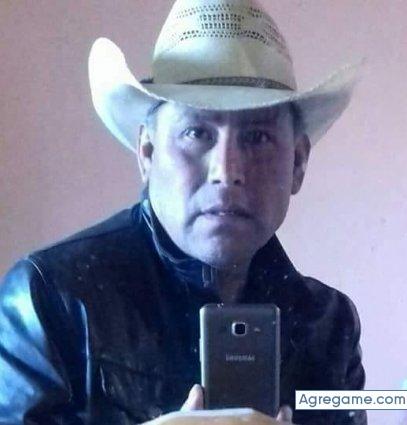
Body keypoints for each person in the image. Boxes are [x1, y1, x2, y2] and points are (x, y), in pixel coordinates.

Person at [0, 0, 366, 424]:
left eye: (257, 137)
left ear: (298, 163)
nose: (227, 171)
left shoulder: (330, 324)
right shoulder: (49, 298)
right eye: (196, 132)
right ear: (147, 151)